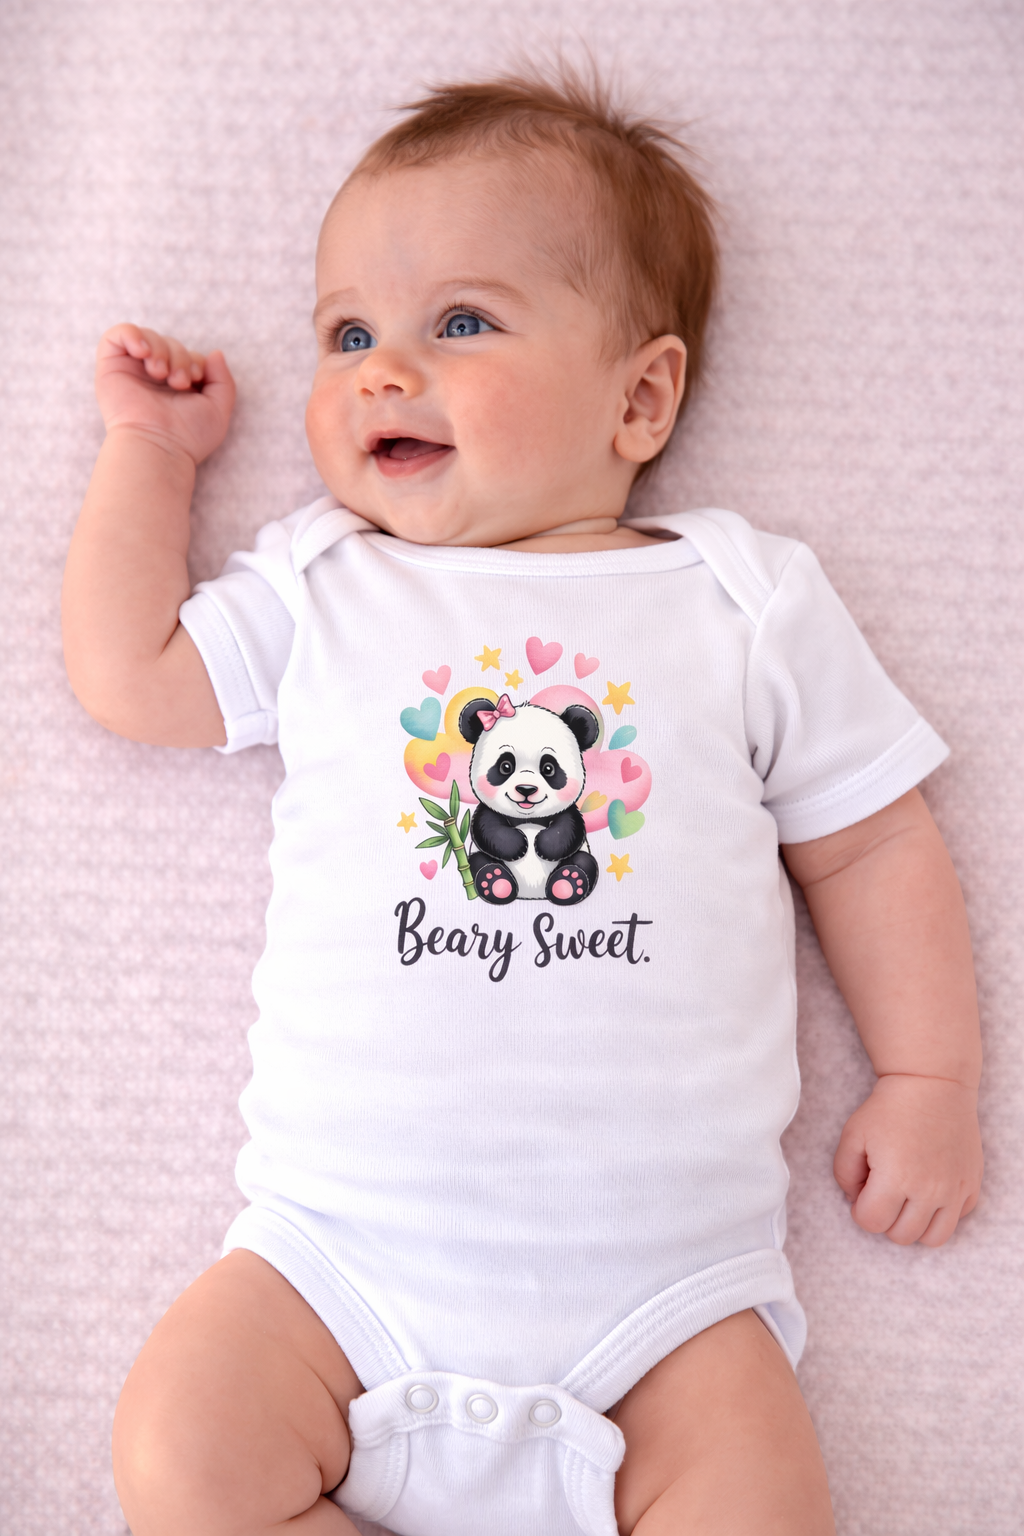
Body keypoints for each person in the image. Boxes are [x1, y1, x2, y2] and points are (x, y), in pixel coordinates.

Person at [62, 70, 983, 1536]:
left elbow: (870, 841)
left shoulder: (741, 599)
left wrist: (932, 1080)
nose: (379, 369)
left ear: (640, 395)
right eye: (347, 332)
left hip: (663, 1301)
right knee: (181, 1456)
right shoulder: (323, 584)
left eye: (459, 323)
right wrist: (150, 461)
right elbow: (133, 671)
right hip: (340, 1266)